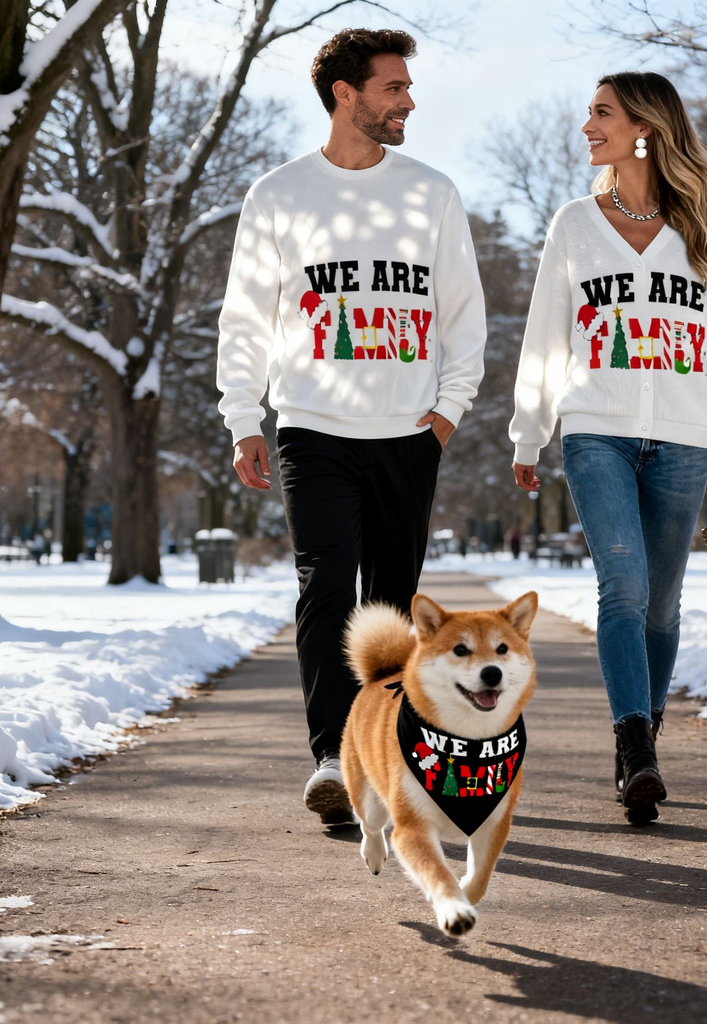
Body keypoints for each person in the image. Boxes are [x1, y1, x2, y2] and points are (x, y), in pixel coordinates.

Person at [215, 29, 486, 827]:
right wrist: (244, 416)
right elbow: (245, 318)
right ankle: (333, 759)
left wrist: (447, 412)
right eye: (393, 87)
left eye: (406, 87)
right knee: (326, 587)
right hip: (311, 429)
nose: (407, 100)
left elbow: (462, 313)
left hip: (408, 432)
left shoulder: (432, 192)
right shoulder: (280, 193)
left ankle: (386, 754)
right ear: (346, 93)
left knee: (393, 605)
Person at [509, 71, 707, 826]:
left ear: (644, 128)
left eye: (601, 112)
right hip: (594, 427)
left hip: (684, 437)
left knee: (662, 607)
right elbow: (545, 337)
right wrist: (529, 430)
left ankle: (646, 740)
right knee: (622, 587)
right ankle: (635, 750)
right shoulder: (574, 223)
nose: (587, 123)